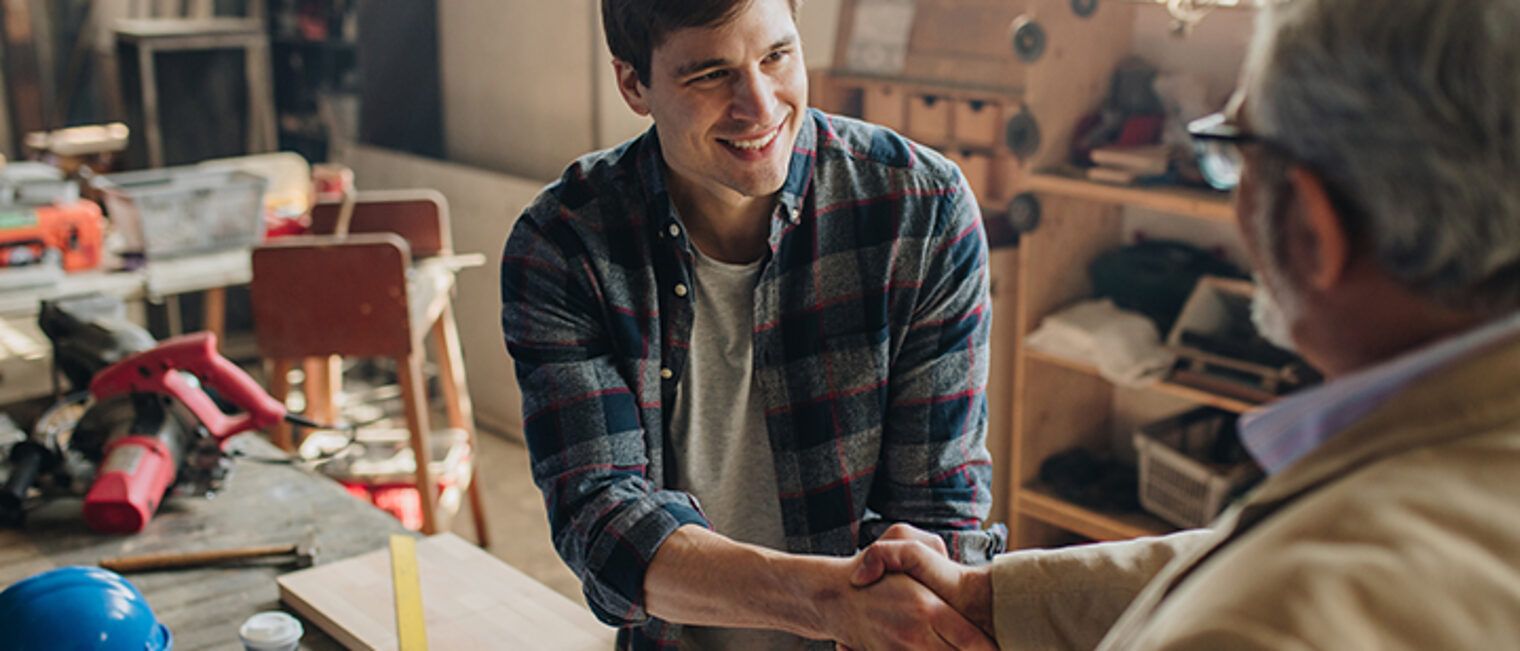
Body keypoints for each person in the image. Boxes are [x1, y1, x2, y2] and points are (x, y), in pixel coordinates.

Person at [851, 0, 1520, 648]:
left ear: (1313, 231)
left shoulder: (1265, 622)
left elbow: (1259, 595)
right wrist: (987, 598)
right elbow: (1236, 555)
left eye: (1232, 153)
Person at [499, 0, 1005, 648]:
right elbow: (605, 524)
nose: (761, 107)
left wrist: (914, 576)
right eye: (711, 75)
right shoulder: (564, 245)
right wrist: (828, 602)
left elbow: (940, 514)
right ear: (633, 84)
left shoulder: (922, 212)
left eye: (776, 56)